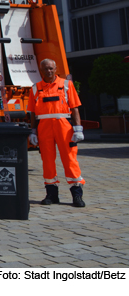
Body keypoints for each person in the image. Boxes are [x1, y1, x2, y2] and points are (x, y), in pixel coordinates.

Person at [27, 59, 86, 207]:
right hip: (44, 127)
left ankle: (77, 195)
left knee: (69, 159)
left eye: (51, 68)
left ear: (56, 68)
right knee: (47, 161)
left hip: (64, 126)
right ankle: (51, 194)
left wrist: (78, 128)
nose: (48, 71)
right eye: (45, 69)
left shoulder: (66, 85)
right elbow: (32, 113)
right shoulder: (35, 88)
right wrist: (33, 131)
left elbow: (75, 108)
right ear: (41, 70)